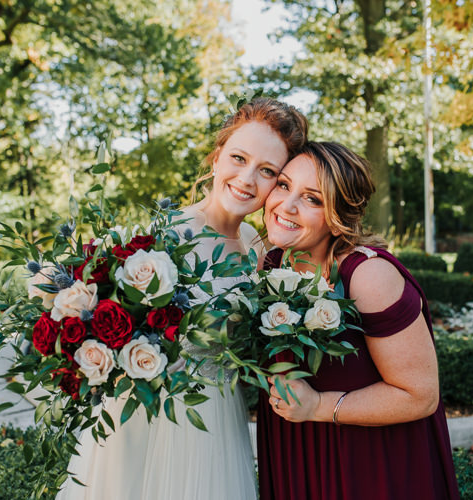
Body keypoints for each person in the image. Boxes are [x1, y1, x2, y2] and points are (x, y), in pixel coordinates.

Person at [57, 98, 308, 500]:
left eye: (266, 171)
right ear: (215, 158)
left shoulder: (258, 249)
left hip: (216, 420)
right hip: (145, 418)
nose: (246, 178)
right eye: (238, 158)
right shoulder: (161, 235)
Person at [257, 142, 460, 500]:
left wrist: (319, 406)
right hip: (295, 453)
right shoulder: (269, 264)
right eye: (284, 185)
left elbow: (419, 395)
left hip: (370, 462)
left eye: (313, 199)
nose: (286, 206)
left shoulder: (367, 276)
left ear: (339, 216)